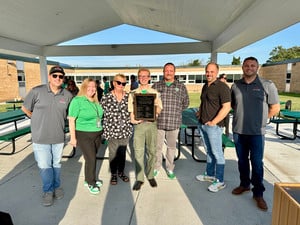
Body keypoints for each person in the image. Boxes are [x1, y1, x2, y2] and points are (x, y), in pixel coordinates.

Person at [231, 56, 280, 211]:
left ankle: (258, 193)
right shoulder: (235, 86)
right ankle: (244, 184)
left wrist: (261, 121)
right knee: (242, 161)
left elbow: (275, 107)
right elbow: (233, 105)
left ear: (257, 67)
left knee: (257, 164)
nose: (249, 68)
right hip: (239, 131)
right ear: (242, 68)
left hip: (257, 133)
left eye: (252, 65)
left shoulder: (267, 85)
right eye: (246, 65)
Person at [21, 66, 73, 206]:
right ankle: (48, 191)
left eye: (60, 76)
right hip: (40, 138)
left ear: (63, 79)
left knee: (56, 164)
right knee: (44, 165)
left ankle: (56, 187)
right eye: (55, 75)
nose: (58, 78)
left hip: (58, 137)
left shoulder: (67, 95)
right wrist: (35, 119)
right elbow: (25, 108)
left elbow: (71, 115)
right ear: (49, 77)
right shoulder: (37, 91)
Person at [195, 63, 231, 193]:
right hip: (203, 124)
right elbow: (204, 102)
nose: (209, 74)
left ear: (217, 72)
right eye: (207, 71)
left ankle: (220, 181)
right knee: (209, 151)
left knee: (217, 153)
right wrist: (200, 112)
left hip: (214, 127)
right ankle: (210, 175)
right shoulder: (206, 85)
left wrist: (214, 122)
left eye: (212, 71)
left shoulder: (222, 87)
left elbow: (227, 107)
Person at [152, 62, 189, 179]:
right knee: (157, 147)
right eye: (166, 70)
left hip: (174, 122)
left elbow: (186, 103)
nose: (168, 72)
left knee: (171, 147)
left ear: (174, 72)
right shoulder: (156, 86)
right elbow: (150, 103)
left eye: (171, 70)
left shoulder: (181, 87)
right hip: (159, 122)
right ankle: (156, 167)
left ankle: (169, 168)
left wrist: (175, 111)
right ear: (163, 72)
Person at [128, 68, 163, 191]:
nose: (143, 78)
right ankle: (139, 178)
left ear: (149, 78)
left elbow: (159, 109)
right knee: (138, 152)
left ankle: (150, 175)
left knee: (152, 151)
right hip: (139, 126)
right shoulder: (133, 93)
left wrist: (154, 109)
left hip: (151, 125)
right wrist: (133, 120)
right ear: (138, 78)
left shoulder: (155, 93)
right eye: (141, 76)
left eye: (145, 76)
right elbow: (131, 110)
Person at [68, 78, 104, 195]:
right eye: (89, 87)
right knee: (91, 159)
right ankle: (91, 182)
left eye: (94, 87)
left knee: (90, 159)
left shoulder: (95, 101)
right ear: (84, 87)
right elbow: (71, 120)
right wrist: (73, 138)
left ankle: (87, 179)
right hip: (84, 134)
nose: (92, 89)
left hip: (97, 133)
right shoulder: (77, 101)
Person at [101, 74, 132, 186]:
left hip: (125, 130)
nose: (121, 85)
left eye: (124, 83)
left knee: (122, 153)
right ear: (114, 83)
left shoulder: (129, 97)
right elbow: (100, 114)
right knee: (113, 153)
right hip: (111, 130)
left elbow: (134, 112)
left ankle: (121, 172)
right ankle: (114, 173)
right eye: (119, 83)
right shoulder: (106, 97)